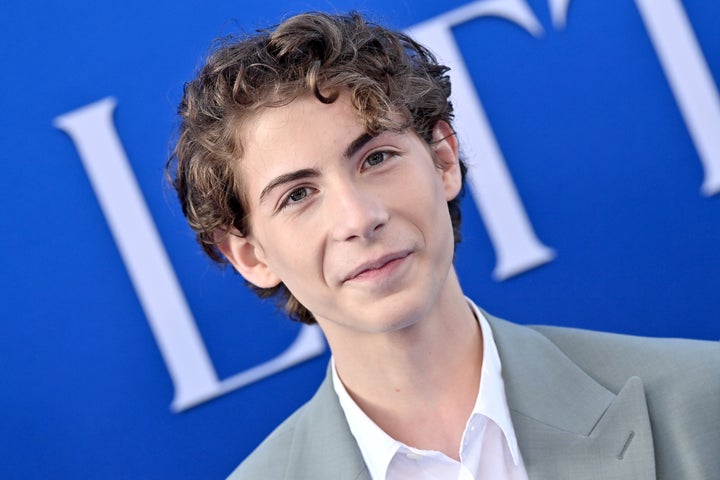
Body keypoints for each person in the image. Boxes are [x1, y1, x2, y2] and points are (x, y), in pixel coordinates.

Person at [167, 11, 719, 480]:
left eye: (376, 158)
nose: (359, 218)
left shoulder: (702, 401)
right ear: (250, 256)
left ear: (443, 159)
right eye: (298, 195)